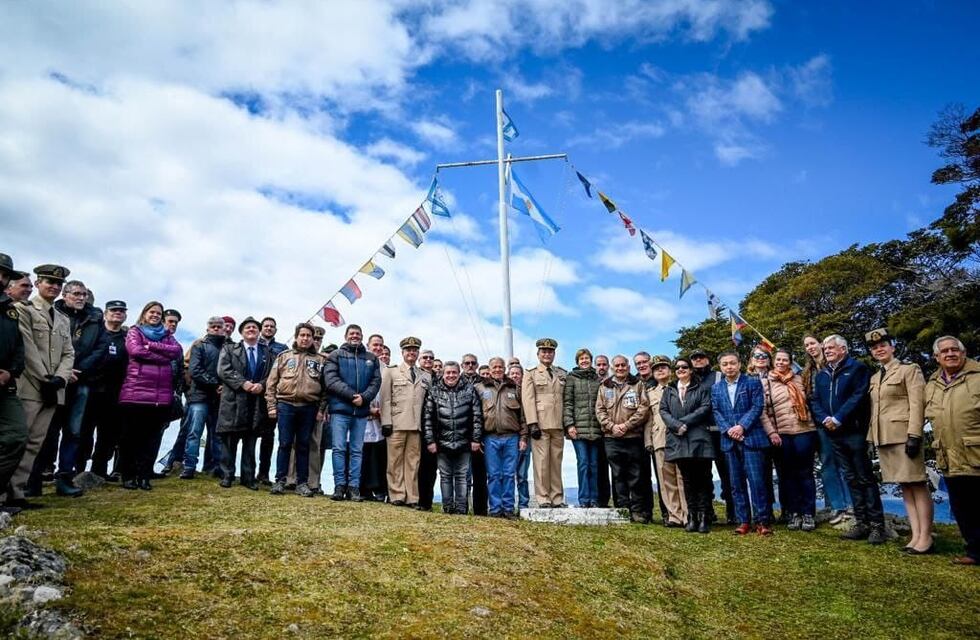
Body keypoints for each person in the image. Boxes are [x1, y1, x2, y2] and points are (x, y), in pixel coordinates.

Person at [9, 265, 74, 506]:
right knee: (16, 440)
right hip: (30, 385)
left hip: (54, 388)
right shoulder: (23, 309)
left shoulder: (63, 319)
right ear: (38, 283)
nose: (54, 287)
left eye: (58, 284)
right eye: (49, 282)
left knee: (35, 442)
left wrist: (60, 379)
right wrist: (45, 378)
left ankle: (17, 492)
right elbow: (26, 347)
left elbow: (68, 353)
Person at [811, 334, 885, 544]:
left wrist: (839, 417)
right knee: (850, 477)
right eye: (825, 349)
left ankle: (877, 525)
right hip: (834, 433)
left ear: (843, 349)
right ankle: (861, 522)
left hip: (853, 431)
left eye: (831, 348)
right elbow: (815, 400)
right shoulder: (822, 374)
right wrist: (825, 418)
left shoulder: (857, 368)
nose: (827, 352)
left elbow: (859, 395)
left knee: (864, 477)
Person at [865, 328, 931, 553]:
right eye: (874, 348)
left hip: (904, 435)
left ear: (892, 347)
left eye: (883, 345)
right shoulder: (875, 377)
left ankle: (926, 537)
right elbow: (876, 411)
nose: (879, 350)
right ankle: (916, 535)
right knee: (904, 485)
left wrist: (915, 434)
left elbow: (917, 404)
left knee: (917, 484)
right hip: (885, 437)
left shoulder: (908, 370)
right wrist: (871, 438)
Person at [36, 279, 104, 495]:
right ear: (64, 295)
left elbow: (100, 348)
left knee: (74, 432)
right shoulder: (52, 312)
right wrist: (63, 373)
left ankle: (65, 477)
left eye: (83, 294)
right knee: (46, 430)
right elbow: (44, 345)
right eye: (76, 293)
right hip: (53, 380)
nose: (81, 298)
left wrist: (77, 371)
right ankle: (34, 478)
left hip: (81, 382)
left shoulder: (95, 318)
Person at [924, 335, 980, 566]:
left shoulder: (977, 377)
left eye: (954, 350)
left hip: (976, 450)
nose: (950, 354)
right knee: (962, 506)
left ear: (963, 353)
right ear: (937, 358)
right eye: (944, 351)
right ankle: (975, 551)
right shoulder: (933, 384)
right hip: (949, 452)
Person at [116, 301, 182, 490]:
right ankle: (128, 475)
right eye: (151, 312)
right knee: (130, 437)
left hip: (160, 396)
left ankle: (144, 476)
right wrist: (162, 357)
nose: (155, 315)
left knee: (151, 439)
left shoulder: (167, 335)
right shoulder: (135, 331)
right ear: (145, 313)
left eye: (158, 313)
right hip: (135, 393)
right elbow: (135, 351)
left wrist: (150, 346)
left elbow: (176, 351)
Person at [712, 352, 772, 536]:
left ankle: (762, 521)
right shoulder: (716, 388)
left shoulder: (752, 382)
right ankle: (743, 521)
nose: (729, 367)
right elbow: (716, 410)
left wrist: (741, 427)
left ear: (739, 364)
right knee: (736, 484)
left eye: (732, 363)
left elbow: (757, 407)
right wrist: (728, 429)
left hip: (751, 438)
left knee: (757, 481)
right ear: (720, 367)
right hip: (729, 440)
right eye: (725, 364)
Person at [760, 348, 818, 531]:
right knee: (788, 475)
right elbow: (763, 412)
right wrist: (771, 432)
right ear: (773, 361)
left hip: (804, 430)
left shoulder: (800, 379)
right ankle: (794, 512)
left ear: (790, 362)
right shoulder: (766, 383)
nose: (781, 363)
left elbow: (810, 401)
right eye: (778, 359)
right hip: (782, 433)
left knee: (806, 473)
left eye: (785, 360)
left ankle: (808, 513)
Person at [322, 324, 381, 502]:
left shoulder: (371, 358)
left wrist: (364, 398)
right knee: (339, 449)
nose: (355, 336)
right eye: (352, 333)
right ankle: (339, 486)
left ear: (362, 336)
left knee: (357, 450)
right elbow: (331, 380)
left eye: (358, 334)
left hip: (361, 411)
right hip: (340, 409)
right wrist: (351, 396)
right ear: (346, 335)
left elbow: (376, 381)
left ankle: (354, 487)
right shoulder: (336, 355)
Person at [265, 323, 326, 497]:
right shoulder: (284, 356)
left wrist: (321, 409)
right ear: (296, 337)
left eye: (309, 336)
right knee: (284, 444)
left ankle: (302, 483)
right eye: (303, 335)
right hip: (285, 405)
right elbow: (271, 383)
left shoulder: (320, 360)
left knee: (303, 445)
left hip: (309, 407)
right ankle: (280, 481)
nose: (306, 338)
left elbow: (325, 389)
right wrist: (271, 406)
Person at [660, 356, 715, 533]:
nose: (681, 370)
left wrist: (684, 422)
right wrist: (676, 425)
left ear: (691, 369)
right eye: (678, 368)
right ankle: (692, 516)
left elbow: (705, 407)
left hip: (699, 438)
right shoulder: (669, 390)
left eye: (684, 367)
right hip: (679, 439)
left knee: (704, 479)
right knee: (688, 480)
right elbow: (663, 410)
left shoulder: (701, 388)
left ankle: (704, 516)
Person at [215, 317, 271, 490]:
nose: (251, 329)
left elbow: (272, 374)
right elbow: (223, 369)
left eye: (255, 327)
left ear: (259, 331)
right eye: (248, 327)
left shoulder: (267, 353)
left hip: (256, 402)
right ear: (241, 332)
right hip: (233, 400)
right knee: (229, 441)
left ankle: (248, 478)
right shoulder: (230, 348)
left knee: (250, 441)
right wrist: (242, 383)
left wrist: (262, 385)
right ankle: (227, 475)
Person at [596, 355, 651, 523]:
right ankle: (622, 509)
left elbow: (644, 408)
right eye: (617, 366)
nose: (620, 368)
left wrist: (626, 425)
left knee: (636, 475)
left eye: (623, 365)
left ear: (628, 366)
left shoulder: (637, 384)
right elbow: (600, 410)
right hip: (611, 438)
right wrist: (612, 426)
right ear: (612, 368)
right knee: (618, 474)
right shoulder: (604, 386)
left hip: (633, 436)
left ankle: (637, 511)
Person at [802, 334, 851, 524]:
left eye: (813, 343)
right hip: (819, 421)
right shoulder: (808, 371)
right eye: (806, 345)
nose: (810, 347)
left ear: (822, 345)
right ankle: (836, 506)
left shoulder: (833, 364)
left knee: (845, 463)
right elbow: (811, 397)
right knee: (828, 462)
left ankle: (850, 505)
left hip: (840, 419)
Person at [423, 361, 483, 515]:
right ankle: (448, 508)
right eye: (448, 372)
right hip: (441, 443)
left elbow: (477, 416)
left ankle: (461, 509)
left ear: (458, 373)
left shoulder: (470, 390)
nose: (451, 375)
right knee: (445, 476)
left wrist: (476, 439)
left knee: (462, 476)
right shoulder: (434, 391)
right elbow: (427, 418)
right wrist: (430, 441)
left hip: (464, 442)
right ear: (443, 374)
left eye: (454, 372)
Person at [82, 300, 129, 480]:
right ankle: (78, 469)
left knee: (108, 435)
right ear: (106, 313)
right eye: (114, 310)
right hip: (91, 390)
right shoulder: (95, 333)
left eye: (121, 311)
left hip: (114, 393)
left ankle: (99, 471)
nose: (118, 313)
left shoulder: (126, 339)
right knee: (84, 432)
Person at [381, 337, 429, 507]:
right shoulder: (392, 371)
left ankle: (412, 497)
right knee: (394, 461)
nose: (411, 353)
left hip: (416, 426)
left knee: (413, 462)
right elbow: (385, 399)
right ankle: (397, 495)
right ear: (402, 352)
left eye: (414, 350)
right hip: (396, 423)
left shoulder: (425, 375)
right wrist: (386, 422)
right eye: (408, 350)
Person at [476, 357, 526, 518]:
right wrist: (477, 438)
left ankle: (508, 508)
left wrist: (523, 437)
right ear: (489, 369)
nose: (497, 370)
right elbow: (475, 415)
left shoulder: (514, 387)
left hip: (512, 437)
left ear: (505, 368)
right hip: (490, 438)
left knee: (509, 475)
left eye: (500, 367)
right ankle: (496, 509)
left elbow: (523, 416)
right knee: (494, 475)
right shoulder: (480, 388)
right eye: (494, 367)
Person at [640, 354, 687, 527]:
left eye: (663, 367)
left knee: (682, 477)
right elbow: (648, 419)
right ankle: (674, 515)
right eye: (656, 368)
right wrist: (648, 440)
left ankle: (688, 514)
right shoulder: (650, 393)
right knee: (666, 480)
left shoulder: (680, 388)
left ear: (670, 370)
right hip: (659, 438)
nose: (660, 370)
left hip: (681, 438)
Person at [691, 349, 735, 525]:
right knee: (703, 475)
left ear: (707, 359)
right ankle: (707, 513)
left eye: (701, 357)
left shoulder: (719, 376)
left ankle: (733, 512)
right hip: (700, 432)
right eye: (694, 358)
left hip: (721, 431)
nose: (698, 360)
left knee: (727, 473)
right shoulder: (690, 379)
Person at [179, 317, 225, 479]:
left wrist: (224, 386)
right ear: (207, 329)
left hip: (219, 399)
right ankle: (189, 466)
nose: (216, 329)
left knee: (217, 434)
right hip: (199, 396)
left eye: (219, 326)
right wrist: (215, 384)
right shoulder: (199, 345)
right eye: (213, 326)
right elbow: (195, 370)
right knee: (194, 432)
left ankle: (217, 468)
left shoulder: (228, 347)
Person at [522, 338, 567, 508]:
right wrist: (532, 423)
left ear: (554, 354)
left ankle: (557, 498)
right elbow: (528, 399)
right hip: (540, 424)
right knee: (541, 463)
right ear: (538, 354)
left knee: (556, 463)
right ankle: (543, 498)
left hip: (558, 423)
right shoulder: (531, 373)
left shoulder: (561, 373)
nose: (547, 354)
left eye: (550, 352)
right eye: (544, 351)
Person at [0, 254, 27, 515]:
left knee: (17, 436)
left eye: (5, 274)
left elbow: (19, 347)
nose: (0, 278)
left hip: (5, 385)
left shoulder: (9, 309)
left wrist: (10, 371)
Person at [563, 348, 603, 508]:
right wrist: (569, 424)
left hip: (595, 428)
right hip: (578, 429)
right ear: (577, 362)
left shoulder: (596, 378)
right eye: (581, 359)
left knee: (594, 464)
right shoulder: (571, 378)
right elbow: (568, 402)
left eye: (587, 358)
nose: (584, 361)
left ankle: (594, 499)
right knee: (583, 463)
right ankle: (583, 499)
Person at [360, 333, 390, 502]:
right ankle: (362, 489)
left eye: (381, 345)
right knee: (362, 453)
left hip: (380, 416)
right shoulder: (362, 363)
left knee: (377, 455)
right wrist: (368, 409)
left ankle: (378, 489)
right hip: (364, 413)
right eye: (375, 345)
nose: (378, 348)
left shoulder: (386, 369)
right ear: (368, 345)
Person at [508, 363, 532, 510]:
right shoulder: (505, 390)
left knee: (522, 475)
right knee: (508, 474)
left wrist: (524, 437)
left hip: (525, 437)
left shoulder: (527, 391)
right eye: (512, 373)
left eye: (518, 373)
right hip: (509, 437)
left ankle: (523, 504)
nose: (515, 376)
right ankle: (508, 504)